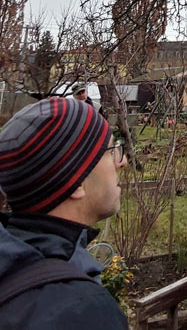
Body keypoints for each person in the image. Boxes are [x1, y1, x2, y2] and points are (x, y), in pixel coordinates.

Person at [0, 97, 128, 329]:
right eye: (111, 151)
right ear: (76, 183)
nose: (123, 161)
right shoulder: (81, 313)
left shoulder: (11, 265)